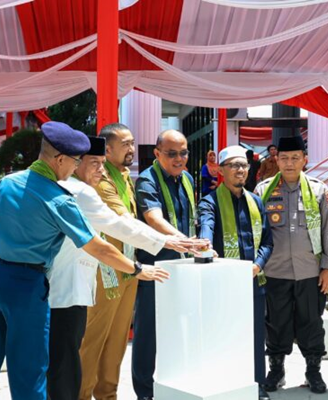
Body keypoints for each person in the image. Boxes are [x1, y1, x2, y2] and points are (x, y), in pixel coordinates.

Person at [0, 121, 166, 400]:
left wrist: (3, 260)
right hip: (27, 283)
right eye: (75, 161)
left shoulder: (5, 183)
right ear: (59, 160)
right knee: (29, 369)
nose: (75, 169)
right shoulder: (59, 198)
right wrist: (136, 269)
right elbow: (97, 247)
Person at [48, 134, 189, 400]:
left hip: (121, 268)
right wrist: (168, 241)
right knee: (90, 344)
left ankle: (107, 394)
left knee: (115, 343)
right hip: (99, 274)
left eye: (102, 163)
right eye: (95, 163)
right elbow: (119, 223)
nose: (100, 169)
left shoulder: (122, 178)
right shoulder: (81, 188)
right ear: (75, 163)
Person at [253, 136, 328, 395]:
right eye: (284, 158)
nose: (289, 163)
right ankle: (276, 370)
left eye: (294, 158)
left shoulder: (318, 190)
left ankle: (313, 370)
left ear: (304, 160)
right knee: (276, 323)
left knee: (311, 323)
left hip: (310, 273)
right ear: (276, 160)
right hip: (274, 272)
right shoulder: (263, 190)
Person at [198, 145, 274, 400]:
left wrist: (258, 265)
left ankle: (257, 384)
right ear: (220, 170)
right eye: (234, 165)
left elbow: (267, 241)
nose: (240, 170)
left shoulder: (256, 201)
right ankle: (224, 382)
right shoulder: (209, 202)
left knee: (255, 335)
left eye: (244, 165)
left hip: (253, 280)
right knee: (222, 332)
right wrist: (205, 244)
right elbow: (206, 226)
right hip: (222, 282)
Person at [132, 129, 196, 400]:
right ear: (157, 154)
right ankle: (145, 392)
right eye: (172, 153)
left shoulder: (188, 179)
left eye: (183, 153)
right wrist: (183, 240)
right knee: (147, 333)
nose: (179, 158)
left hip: (184, 265)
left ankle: (174, 385)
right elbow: (153, 217)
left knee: (179, 329)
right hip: (155, 269)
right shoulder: (147, 180)